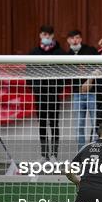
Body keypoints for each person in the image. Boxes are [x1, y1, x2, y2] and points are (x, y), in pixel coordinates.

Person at [28, 25, 67, 162]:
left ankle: (54, 155)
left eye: (49, 35)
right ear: (40, 35)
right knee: (42, 124)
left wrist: (59, 88)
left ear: (53, 36)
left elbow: (66, 72)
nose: (47, 37)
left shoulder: (60, 53)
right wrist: (35, 88)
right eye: (44, 34)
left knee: (54, 124)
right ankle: (44, 154)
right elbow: (29, 73)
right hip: (40, 94)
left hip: (54, 94)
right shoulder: (34, 53)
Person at [67, 30, 100, 150]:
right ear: (68, 41)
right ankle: (81, 152)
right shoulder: (67, 55)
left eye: (77, 38)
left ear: (81, 39)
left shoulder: (90, 51)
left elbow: (99, 68)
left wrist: (89, 80)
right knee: (79, 125)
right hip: (77, 94)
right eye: (72, 38)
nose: (75, 40)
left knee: (95, 124)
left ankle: (95, 151)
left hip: (92, 93)